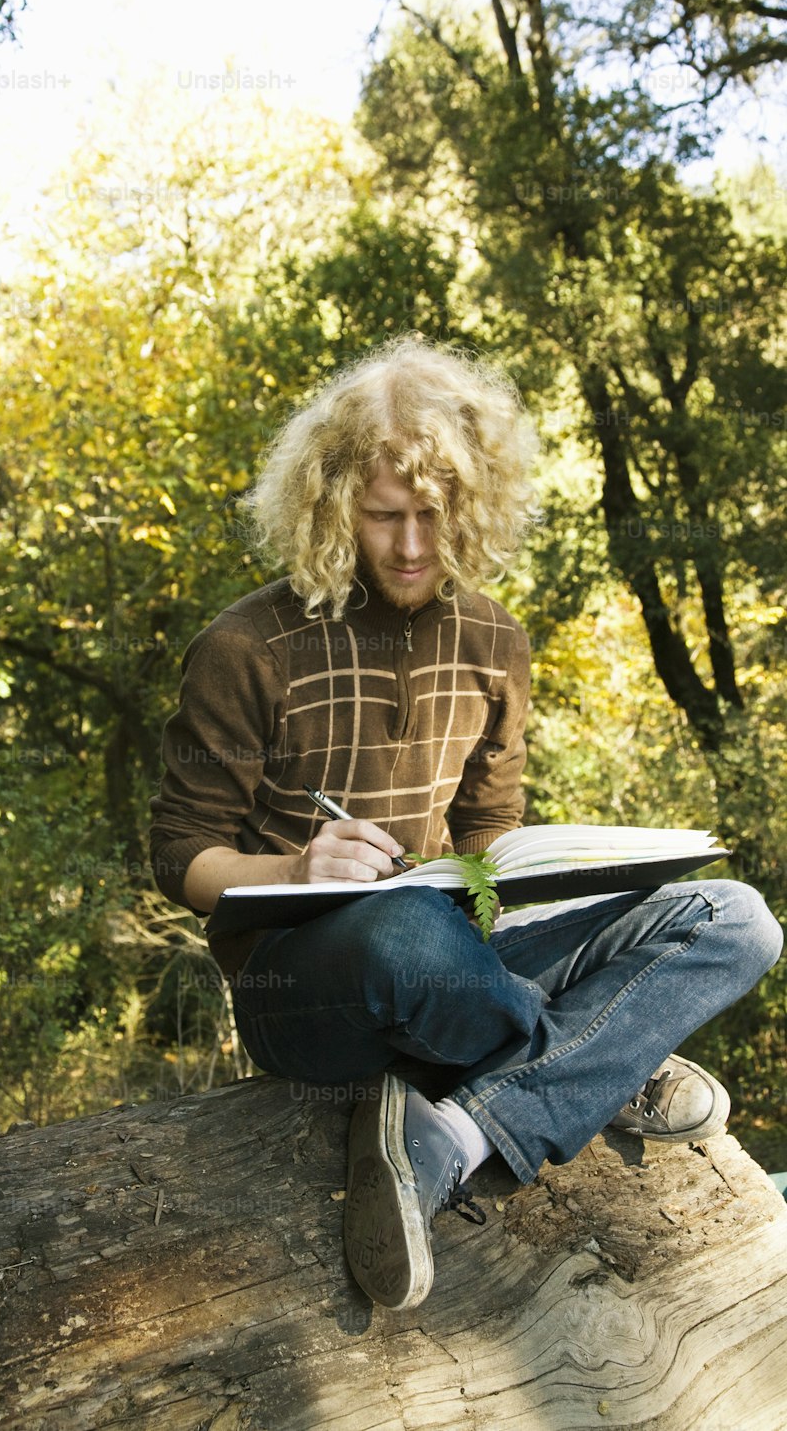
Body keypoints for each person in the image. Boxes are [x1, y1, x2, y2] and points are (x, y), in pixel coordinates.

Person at [149, 337, 783, 1311]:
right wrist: (300, 864)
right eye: (383, 518)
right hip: (307, 985)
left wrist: (562, 869)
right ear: (329, 507)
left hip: (462, 949)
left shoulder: (494, 641)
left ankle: (456, 1132)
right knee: (405, 933)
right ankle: (603, 1068)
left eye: (434, 518)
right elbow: (181, 856)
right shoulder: (244, 647)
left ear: (472, 507)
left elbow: (489, 840)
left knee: (735, 916)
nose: (410, 547)